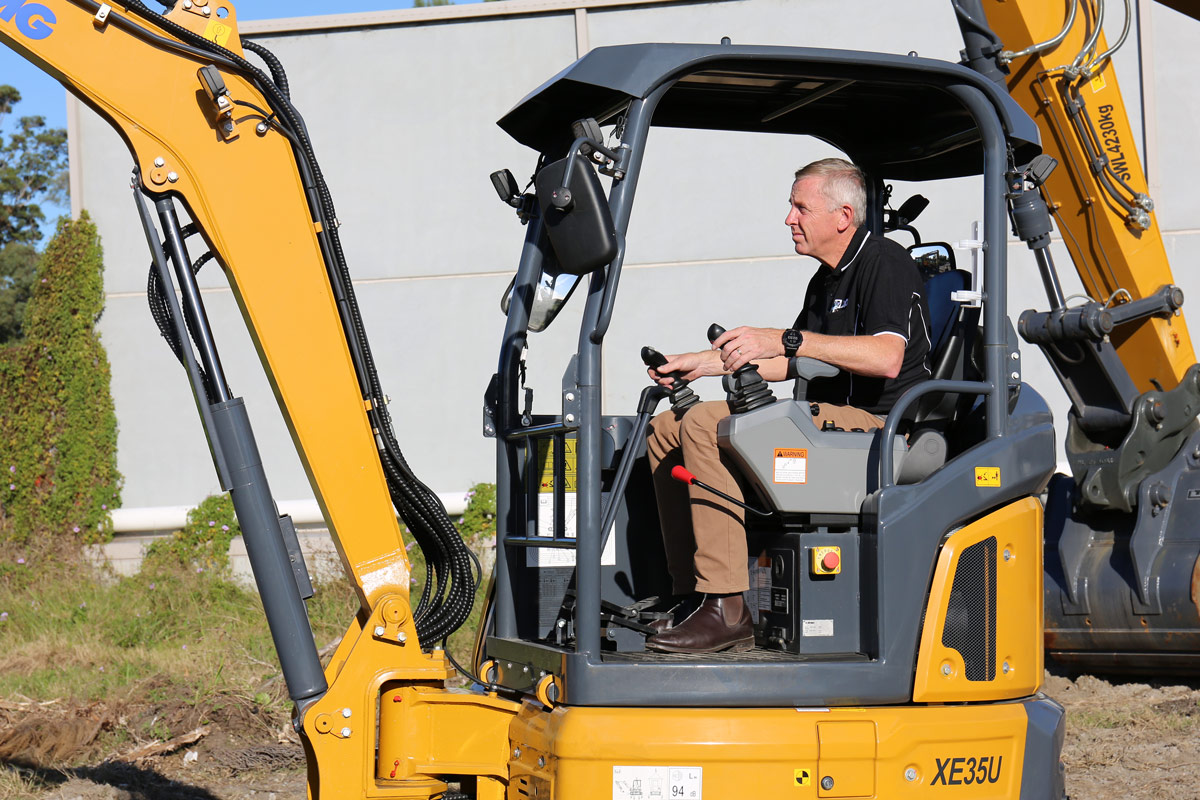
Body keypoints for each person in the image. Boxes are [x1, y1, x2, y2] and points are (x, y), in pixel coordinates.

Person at [643, 158, 932, 654]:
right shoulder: (825, 280)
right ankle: (692, 595)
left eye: (800, 207)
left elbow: (886, 357)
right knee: (670, 425)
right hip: (828, 425)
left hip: (880, 430)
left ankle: (728, 607)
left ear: (843, 216)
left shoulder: (885, 261)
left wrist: (786, 337)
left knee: (708, 422)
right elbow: (790, 361)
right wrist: (701, 364)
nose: (789, 218)